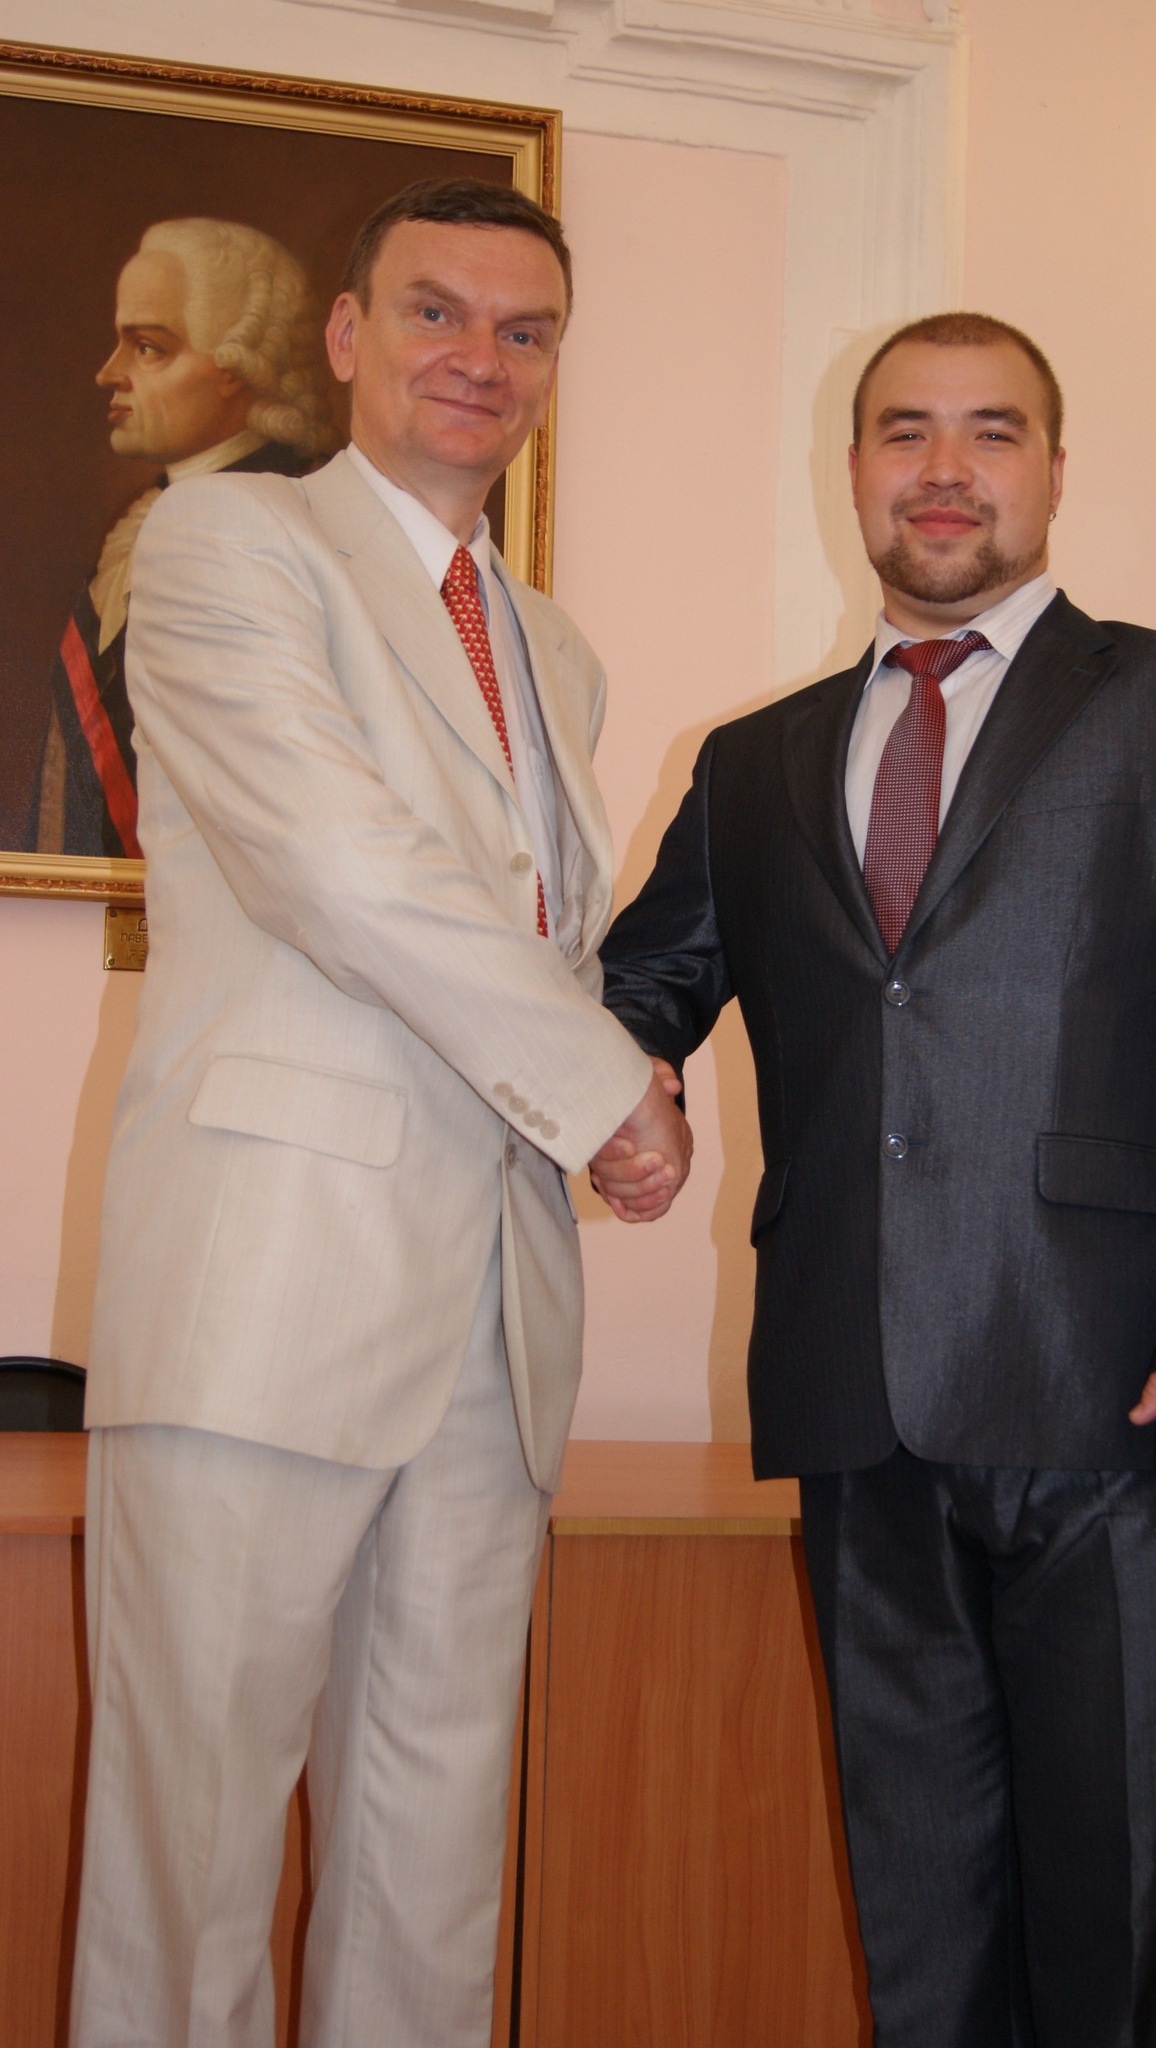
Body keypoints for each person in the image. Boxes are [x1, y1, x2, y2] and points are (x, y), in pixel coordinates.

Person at [592, 312, 1156, 2046]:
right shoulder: (756, 758)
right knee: (924, 1932)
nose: (944, 469)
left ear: (1053, 471)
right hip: (857, 1405)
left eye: (991, 431)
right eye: (905, 431)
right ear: (851, 469)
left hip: (1134, 1408)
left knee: (1121, 1934)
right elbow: (648, 979)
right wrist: (626, 1080)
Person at [71, 178, 689, 2048]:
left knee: (434, 1864)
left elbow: (531, 935)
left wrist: (619, 1066)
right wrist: (607, 1093)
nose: (479, 356)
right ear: (345, 337)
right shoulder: (223, 544)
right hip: (266, 1296)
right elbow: (342, 871)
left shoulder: (554, 648)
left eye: (524, 329)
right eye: (435, 310)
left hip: (494, 1318)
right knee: (188, 1863)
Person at [28, 216, 336, 856]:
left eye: (148, 348)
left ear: (235, 367)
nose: (109, 373)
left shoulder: (298, 526)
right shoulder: (145, 520)